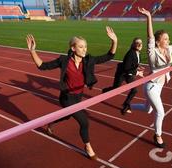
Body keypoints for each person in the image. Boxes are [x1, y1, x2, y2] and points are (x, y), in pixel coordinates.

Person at [26, 26, 117, 159]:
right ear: (73, 48)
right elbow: (42, 66)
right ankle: (88, 146)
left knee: (68, 116)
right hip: (66, 98)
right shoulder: (64, 61)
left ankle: (51, 122)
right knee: (84, 122)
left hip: (78, 96)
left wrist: (114, 41)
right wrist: (32, 51)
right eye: (81, 47)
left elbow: (109, 56)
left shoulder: (88, 60)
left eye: (85, 46)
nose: (84, 49)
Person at [131, 7, 172, 148]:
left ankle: (128, 105)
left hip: (160, 86)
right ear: (157, 41)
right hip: (151, 86)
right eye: (165, 39)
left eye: (168, 39)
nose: (168, 41)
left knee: (147, 109)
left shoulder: (168, 49)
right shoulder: (152, 52)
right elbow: (149, 36)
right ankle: (158, 136)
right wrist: (149, 16)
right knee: (161, 112)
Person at [102, 37, 144, 114]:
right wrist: (137, 72)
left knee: (134, 90)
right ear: (133, 44)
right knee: (116, 89)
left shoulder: (138, 53)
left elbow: (134, 63)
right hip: (122, 73)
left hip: (129, 74)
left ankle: (126, 105)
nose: (139, 44)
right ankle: (105, 91)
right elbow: (126, 67)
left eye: (141, 43)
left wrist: (138, 67)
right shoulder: (130, 53)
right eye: (137, 43)